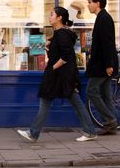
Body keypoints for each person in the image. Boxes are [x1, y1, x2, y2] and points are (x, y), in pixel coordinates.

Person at [17, 7, 98, 143]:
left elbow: (66, 56)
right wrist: (49, 46)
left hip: (61, 75)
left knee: (54, 101)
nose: (50, 17)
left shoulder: (62, 34)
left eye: (52, 14)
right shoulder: (60, 34)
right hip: (62, 75)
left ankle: (33, 133)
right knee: (53, 101)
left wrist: (52, 68)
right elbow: (60, 52)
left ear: (59, 18)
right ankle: (89, 131)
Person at [86, 0, 118, 135]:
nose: (88, 5)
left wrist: (109, 65)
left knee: (91, 90)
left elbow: (107, 43)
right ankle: (111, 126)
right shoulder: (102, 17)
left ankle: (110, 120)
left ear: (98, 3)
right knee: (105, 94)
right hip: (103, 63)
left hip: (102, 65)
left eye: (90, 2)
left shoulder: (104, 18)